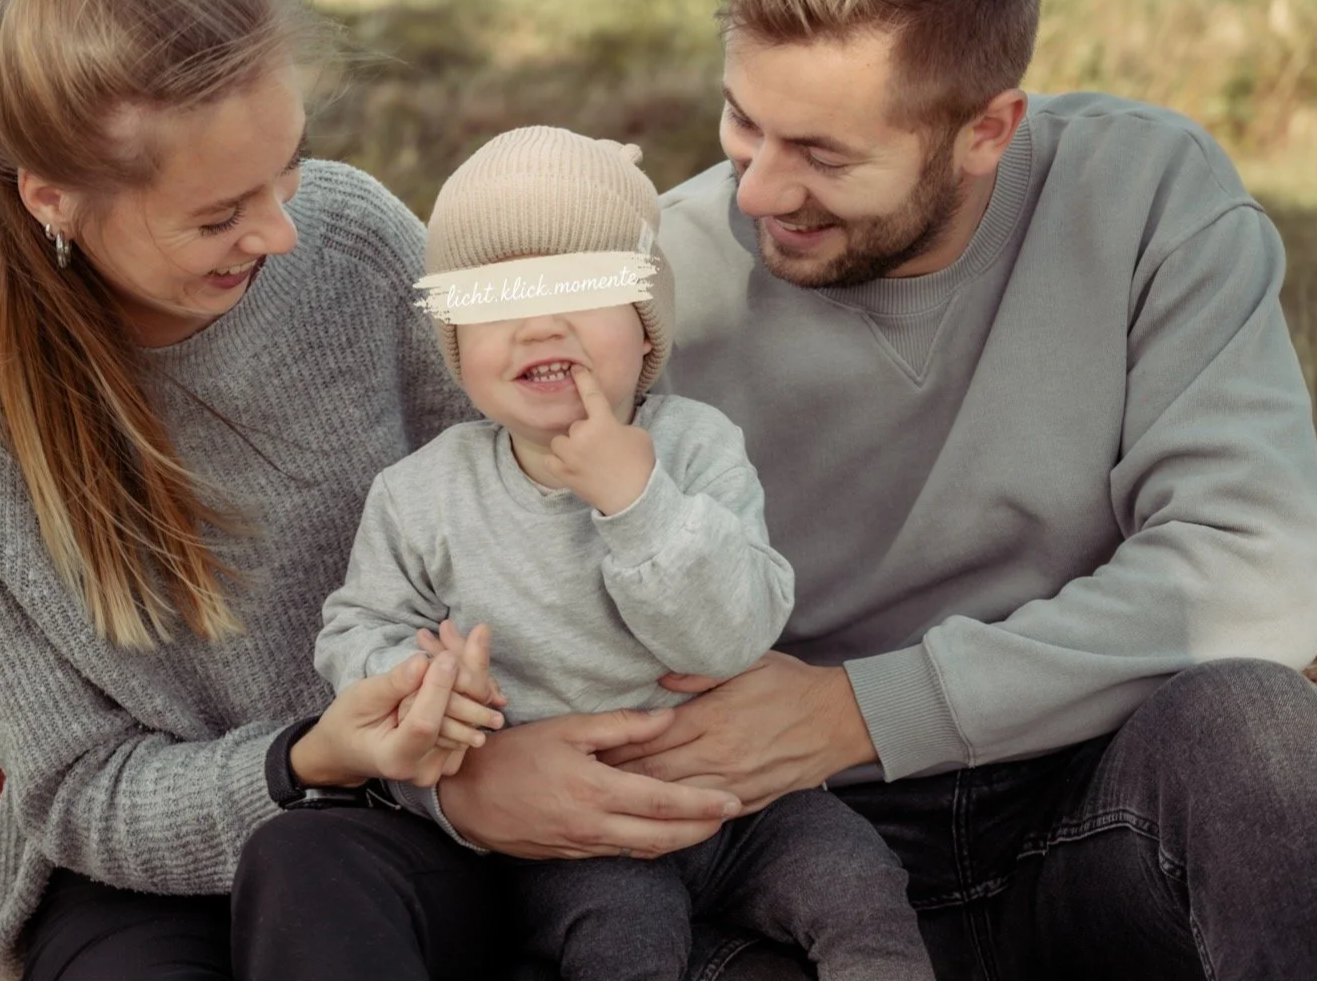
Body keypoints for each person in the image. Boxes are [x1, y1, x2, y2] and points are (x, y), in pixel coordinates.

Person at [428, 0, 1317, 980]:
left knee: (1255, 728)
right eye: (740, 123)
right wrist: (477, 780)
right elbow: (480, 542)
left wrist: (861, 709)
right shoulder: (650, 279)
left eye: (819, 151)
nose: (757, 190)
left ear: (986, 130)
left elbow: (1247, 575)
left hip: (1086, 797)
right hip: (776, 848)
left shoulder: (1147, 197)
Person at [0, 0, 743, 981]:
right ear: (54, 199)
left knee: (326, 876)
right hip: (141, 877)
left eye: (287, 166)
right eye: (218, 213)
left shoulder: (349, 236)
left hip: (407, 828)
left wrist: (475, 765)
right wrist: (315, 755)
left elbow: (552, 500)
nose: (282, 229)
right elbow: (76, 793)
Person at [311, 126, 937, 981]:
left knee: (856, 882)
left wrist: (635, 503)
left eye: (583, 288)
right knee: (618, 936)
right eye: (497, 303)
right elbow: (358, 628)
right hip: (577, 831)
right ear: (458, 345)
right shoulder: (422, 494)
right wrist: (420, 684)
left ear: (646, 328)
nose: (539, 324)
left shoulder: (696, 449)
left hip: (743, 801)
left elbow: (730, 637)